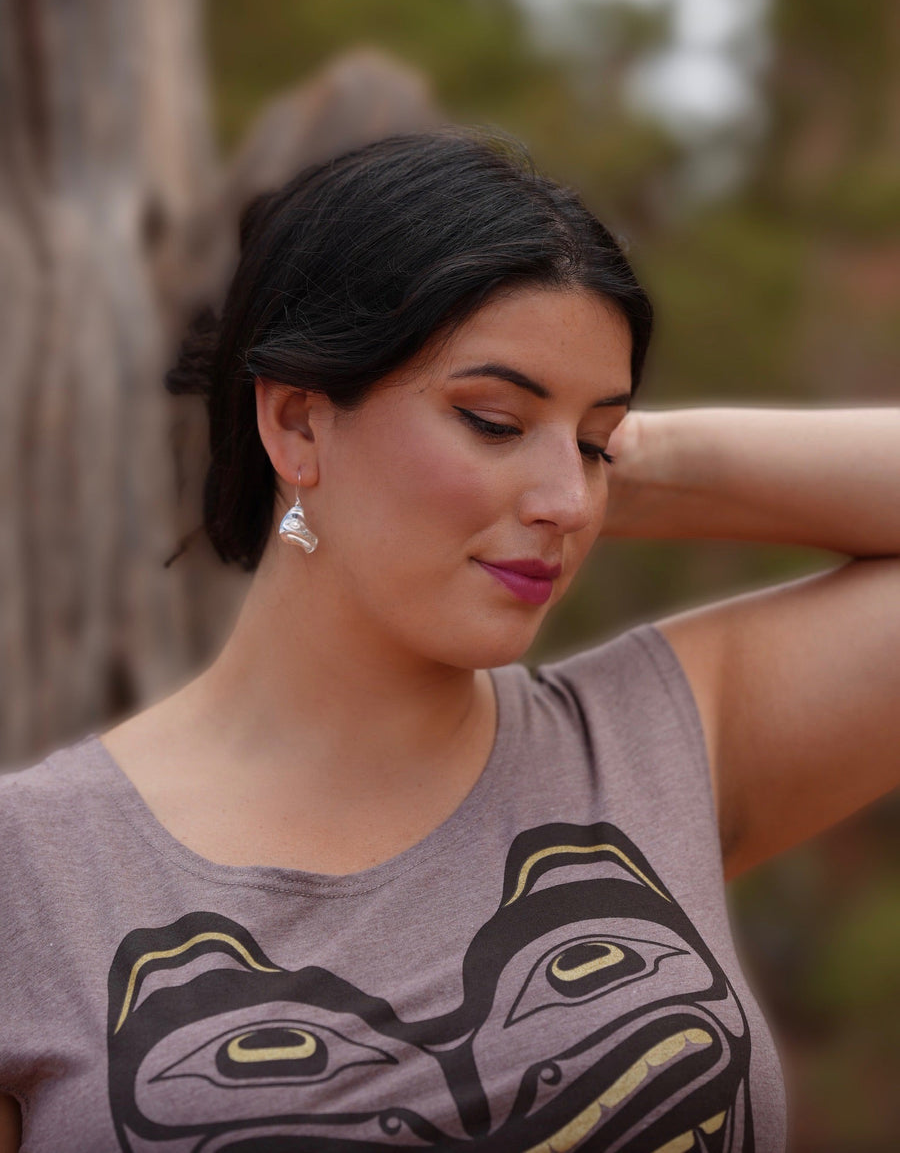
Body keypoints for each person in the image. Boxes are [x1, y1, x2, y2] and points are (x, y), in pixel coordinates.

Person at [0, 130, 896, 1153]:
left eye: (595, 444)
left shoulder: (666, 742)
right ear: (297, 424)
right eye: (491, 419)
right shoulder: (31, 873)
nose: (569, 502)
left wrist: (647, 456)